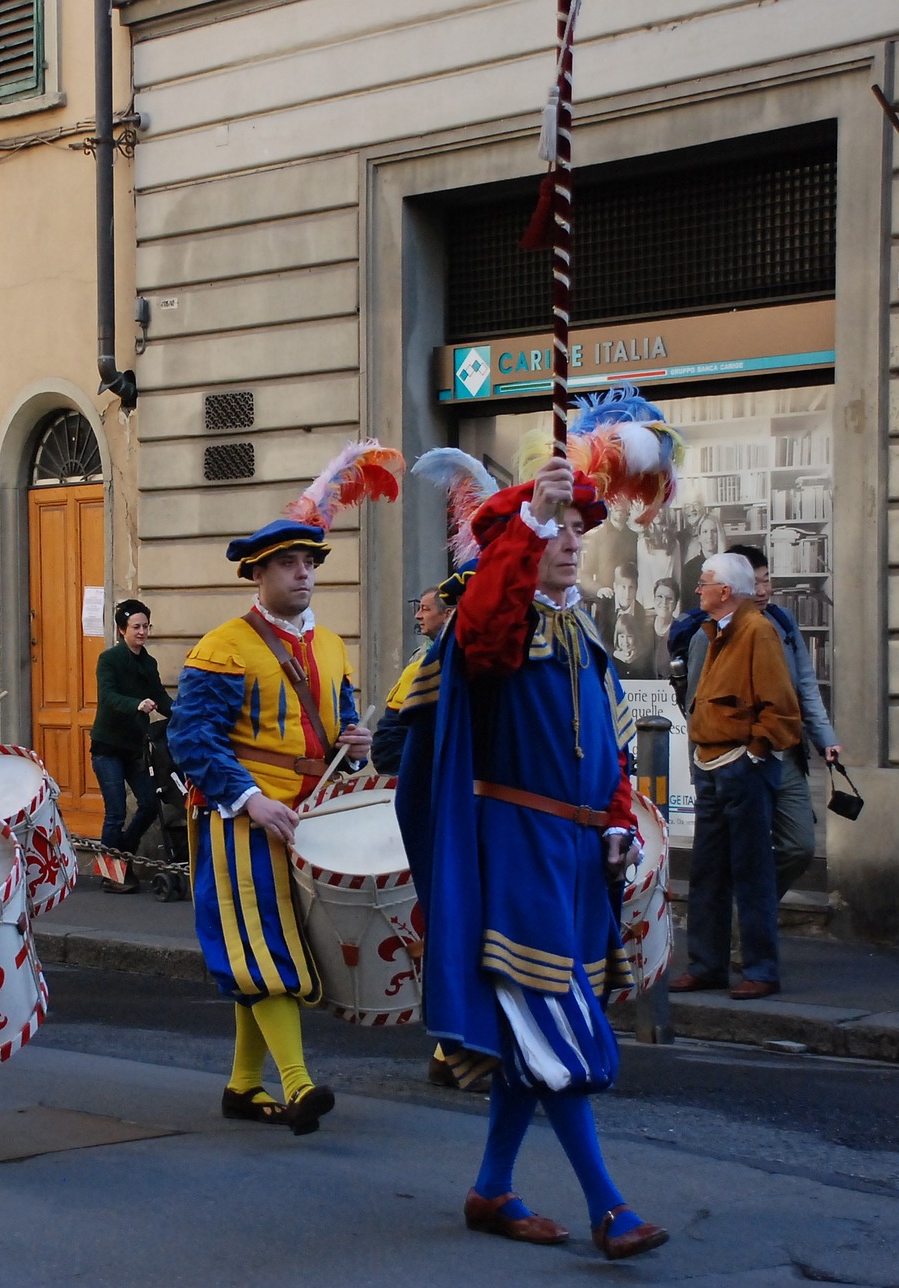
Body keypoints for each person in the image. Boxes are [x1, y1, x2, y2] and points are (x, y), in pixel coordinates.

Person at [396, 446, 668, 1262]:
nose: (571, 537)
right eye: (557, 527)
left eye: (578, 526)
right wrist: (529, 517)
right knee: (556, 1027)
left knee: (529, 1036)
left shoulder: (582, 635)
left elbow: (612, 751)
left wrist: (619, 821)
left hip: (578, 857)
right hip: (516, 849)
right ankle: (609, 1207)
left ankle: (491, 1189)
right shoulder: (498, 627)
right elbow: (483, 628)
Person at [167, 442, 394, 1136]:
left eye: (310, 563)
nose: (304, 574)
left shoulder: (330, 644)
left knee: (267, 946)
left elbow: (343, 719)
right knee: (264, 945)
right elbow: (191, 739)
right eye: (290, 564)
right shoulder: (222, 647)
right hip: (242, 819)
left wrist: (357, 745)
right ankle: (297, 1084)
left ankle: (243, 1084)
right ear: (257, 573)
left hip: (307, 814)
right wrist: (248, 799)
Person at [670, 551, 801, 999]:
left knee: (751, 870)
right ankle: (707, 965)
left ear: (724, 592)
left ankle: (761, 970)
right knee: (708, 871)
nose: (698, 589)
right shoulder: (721, 629)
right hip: (714, 763)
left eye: (704, 582)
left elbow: (781, 708)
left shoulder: (757, 632)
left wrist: (754, 752)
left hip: (740, 765)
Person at [720, 544, 841, 897]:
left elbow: (805, 684)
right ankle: (744, 936)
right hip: (738, 758)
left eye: (766, 580)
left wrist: (825, 736)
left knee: (799, 845)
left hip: (784, 752)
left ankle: (755, 910)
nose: (762, 590)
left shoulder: (782, 622)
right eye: (753, 582)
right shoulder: (713, 631)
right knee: (743, 851)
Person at [89, 598, 174, 892]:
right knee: (115, 811)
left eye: (146, 626)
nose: (142, 632)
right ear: (122, 629)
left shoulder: (148, 662)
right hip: (107, 748)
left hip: (135, 749)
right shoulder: (109, 660)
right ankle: (111, 875)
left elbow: (160, 697)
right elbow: (109, 696)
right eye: (136, 626)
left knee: (150, 804)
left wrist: (182, 716)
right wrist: (136, 704)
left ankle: (120, 850)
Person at [374, 585, 452, 775]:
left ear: (447, 614)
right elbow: (388, 745)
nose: (417, 616)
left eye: (425, 609)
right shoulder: (419, 663)